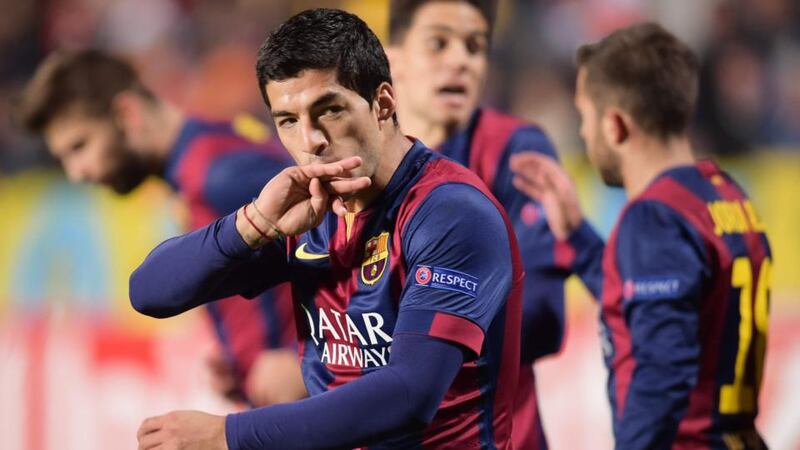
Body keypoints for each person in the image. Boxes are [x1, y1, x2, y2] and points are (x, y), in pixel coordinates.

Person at [129, 8, 524, 450]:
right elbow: (149, 293)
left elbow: (409, 395)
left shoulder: (450, 212)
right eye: (288, 121)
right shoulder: (306, 213)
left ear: (383, 104)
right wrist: (253, 223)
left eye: (329, 109)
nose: (311, 140)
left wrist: (230, 435)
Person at [510, 23, 772, 449]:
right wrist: (577, 235)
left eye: (585, 116)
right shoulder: (727, 195)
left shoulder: (654, 218)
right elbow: (653, 306)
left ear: (615, 125)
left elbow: (661, 373)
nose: (582, 133)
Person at [14, 50, 307, 407]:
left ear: (126, 113)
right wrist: (241, 359)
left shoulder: (219, 173)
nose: (77, 173)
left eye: (80, 146)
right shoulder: (202, 160)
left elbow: (351, 254)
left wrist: (303, 359)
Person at [385, 1, 604, 447]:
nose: (461, 60)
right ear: (394, 60)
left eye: (475, 46)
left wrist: (406, 345)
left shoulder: (516, 150)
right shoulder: (355, 159)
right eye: (438, 43)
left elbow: (543, 319)